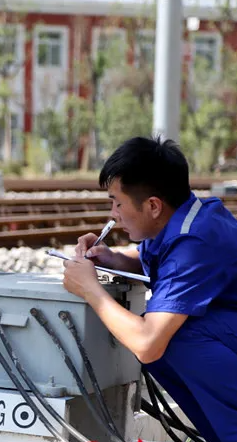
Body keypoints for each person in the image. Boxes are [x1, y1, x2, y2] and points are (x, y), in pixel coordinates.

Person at [62, 136, 237, 442]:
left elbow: (147, 343)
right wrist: (113, 258)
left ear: (153, 206)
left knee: (171, 336)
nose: (114, 214)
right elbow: (159, 260)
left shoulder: (194, 243)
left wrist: (89, 288)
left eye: (118, 203)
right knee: (164, 340)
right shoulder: (189, 217)